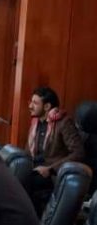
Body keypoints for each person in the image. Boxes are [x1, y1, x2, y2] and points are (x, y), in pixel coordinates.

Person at [26, 86, 84, 214]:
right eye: (30, 102)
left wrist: (50, 169)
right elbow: (28, 152)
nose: (30, 106)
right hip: (34, 168)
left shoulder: (64, 122)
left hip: (52, 174)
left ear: (47, 106)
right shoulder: (35, 123)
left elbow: (78, 153)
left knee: (23, 183)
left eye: (35, 103)